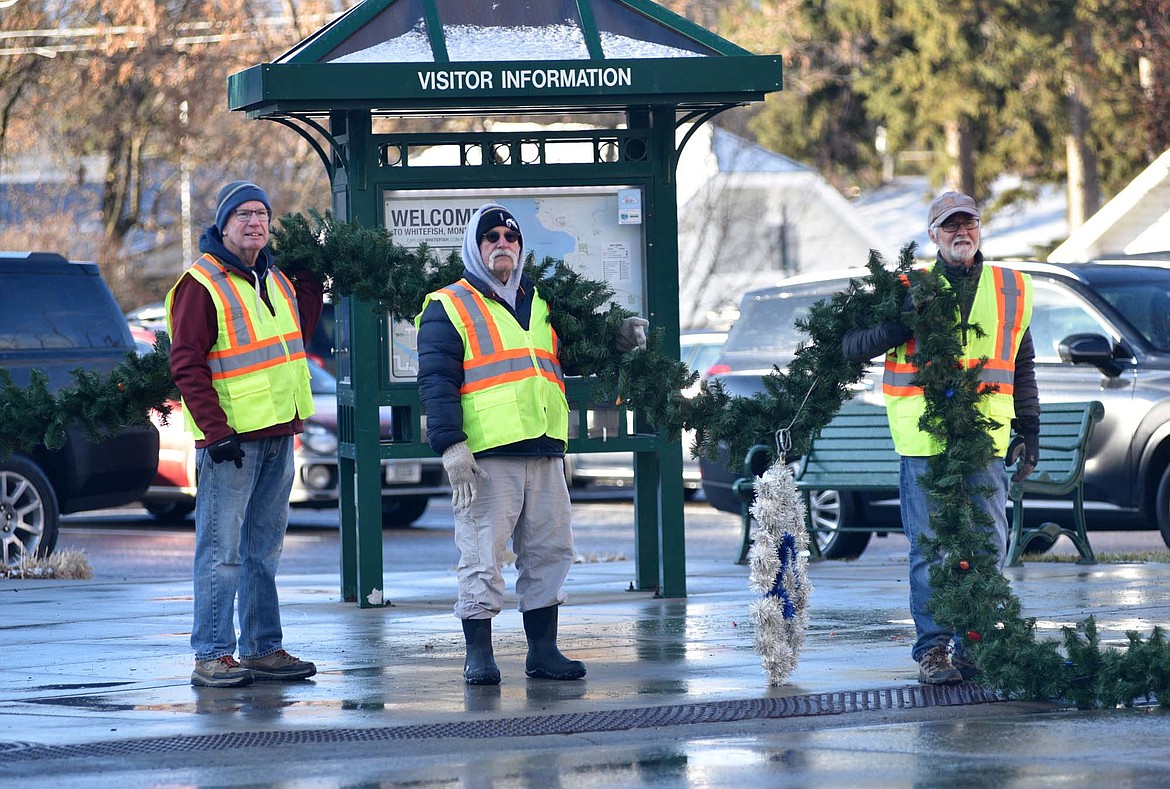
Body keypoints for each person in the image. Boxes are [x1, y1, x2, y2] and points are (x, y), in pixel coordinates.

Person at [415, 203, 648, 685]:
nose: (503, 243)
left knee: (550, 552)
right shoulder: (448, 305)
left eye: (510, 237)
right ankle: (478, 654)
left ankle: (543, 651)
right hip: (486, 457)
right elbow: (435, 382)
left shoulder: (539, 303)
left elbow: (576, 354)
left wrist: (619, 339)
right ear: (475, 248)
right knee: (481, 556)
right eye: (491, 237)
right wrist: (450, 445)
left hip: (544, 450)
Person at [842, 191, 1040, 685]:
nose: (961, 233)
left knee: (988, 544)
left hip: (984, 439)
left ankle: (974, 644)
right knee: (931, 548)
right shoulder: (907, 285)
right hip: (925, 439)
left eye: (968, 223)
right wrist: (897, 321)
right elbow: (851, 345)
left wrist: (1029, 428)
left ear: (979, 228)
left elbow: (1022, 364)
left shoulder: (1012, 288)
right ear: (932, 236)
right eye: (949, 226)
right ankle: (933, 651)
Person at [167, 181, 324, 688]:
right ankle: (211, 653)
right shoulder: (202, 283)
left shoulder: (273, 277)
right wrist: (215, 432)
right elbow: (187, 363)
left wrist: (311, 276)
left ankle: (262, 648)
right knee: (222, 552)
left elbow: (299, 333)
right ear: (223, 224)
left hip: (279, 433)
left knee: (264, 550)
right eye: (244, 215)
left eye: (262, 214)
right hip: (232, 442)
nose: (255, 223)